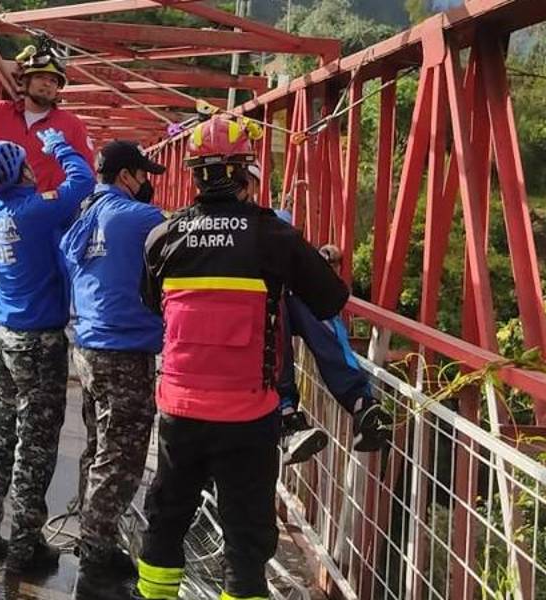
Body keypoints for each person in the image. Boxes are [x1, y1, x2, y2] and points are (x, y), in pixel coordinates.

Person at [134, 116, 350, 600]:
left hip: (179, 408)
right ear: (243, 174)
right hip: (248, 415)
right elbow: (329, 301)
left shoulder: (163, 238)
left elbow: (152, 304)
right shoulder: (273, 236)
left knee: (166, 518)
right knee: (245, 539)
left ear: (194, 175)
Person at [0, 129, 94, 575]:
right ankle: (26, 545)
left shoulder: (0, 210)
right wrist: (60, 146)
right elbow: (83, 182)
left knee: (0, 438)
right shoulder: (35, 210)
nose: (32, 166)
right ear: (18, 171)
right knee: (35, 446)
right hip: (38, 344)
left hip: (4, 339)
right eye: (26, 162)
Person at [59, 141, 167, 599]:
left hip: (88, 345)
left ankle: (93, 539)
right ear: (126, 176)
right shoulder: (142, 219)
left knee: (99, 445)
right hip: (124, 349)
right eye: (142, 174)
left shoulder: (86, 216)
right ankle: (96, 557)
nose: (147, 182)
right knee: (121, 455)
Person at [241, 165, 389, 464]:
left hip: (234, 343)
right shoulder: (267, 228)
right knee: (288, 300)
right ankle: (358, 400)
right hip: (249, 338)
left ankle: (291, 412)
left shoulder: (199, 231)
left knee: (288, 299)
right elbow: (331, 297)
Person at [0, 43, 94, 193]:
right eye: (40, 77)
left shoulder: (72, 125)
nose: (47, 84)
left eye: (53, 81)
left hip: (50, 212)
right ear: (25, 81)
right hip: (5, 211)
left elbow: (88, 173)